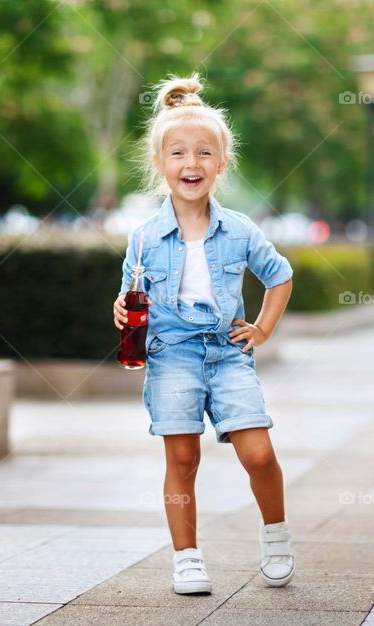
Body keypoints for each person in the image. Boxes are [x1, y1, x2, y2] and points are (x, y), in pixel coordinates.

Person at [112, 73, 295, 595]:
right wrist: (121, 311)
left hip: (227, 353)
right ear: (159, 164)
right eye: (178, 154)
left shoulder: (239, 229)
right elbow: (129, 295)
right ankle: (187, 557)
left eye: (203, 154)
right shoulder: (144, 237)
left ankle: (277, 535)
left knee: (258, 452)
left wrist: (261, 328)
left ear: (221, 162)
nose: (191, 164)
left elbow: (280, 276)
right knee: (183, 459)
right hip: (171, 356)